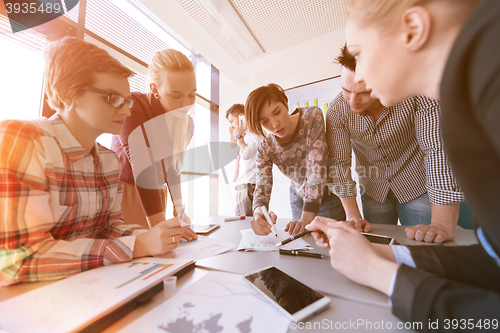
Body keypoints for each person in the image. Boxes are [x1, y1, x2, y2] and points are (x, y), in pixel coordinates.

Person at [308, 0, 500, 329]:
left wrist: (378, 273)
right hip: (376, 188)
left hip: (414, 183)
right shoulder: (470, 85)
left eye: (359, 52)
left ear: (413, 29)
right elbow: (492, 262)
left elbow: (435, 153)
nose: (359, 79)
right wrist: (377, 255)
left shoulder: (485, 72)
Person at [0, 37, 185, 285]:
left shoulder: (108, 161)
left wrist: (154, 234)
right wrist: (137, 244)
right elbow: (16, 259)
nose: (127, 111)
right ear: (66, 94)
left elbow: (108, 228)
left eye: (128, 101)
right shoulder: (24, 139)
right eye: (113, 98)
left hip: (84, 289)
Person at [327, 44, 470, 243]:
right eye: (346, 91)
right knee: (378, 245)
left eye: (363, 93)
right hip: (373, 190)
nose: (353, 102)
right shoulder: (336, 111)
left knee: (425, 246)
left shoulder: (416, 93)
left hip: (417, 186)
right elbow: (338, 164)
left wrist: (441, 224)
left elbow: (437, 150)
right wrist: (353, 216)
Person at [111, 49, 197, 242]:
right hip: (126, 193)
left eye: (192, 95)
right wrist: (160, 227)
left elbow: (173, 168)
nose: (186, 104)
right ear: (155, 89)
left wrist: (179, 211)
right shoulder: (132, 107)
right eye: (176, 96)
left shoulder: (187, 123)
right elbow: (143, 168)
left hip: (156, 193)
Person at [245, 84, 345, 236]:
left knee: (337, 241)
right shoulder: (266, 147)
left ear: (285, 102)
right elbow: (262, 184)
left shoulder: (311, 116)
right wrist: (259, 213)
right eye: (264, 121)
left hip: (328, 192)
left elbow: (315, 169)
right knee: (303, 243)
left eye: (277, 112)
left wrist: (305, 219)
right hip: (298, 195)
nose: (274, 124)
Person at [226, 103, 262, 216]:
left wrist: (239, 137)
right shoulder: (244, 137)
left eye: (232, 121)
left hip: (249, 187)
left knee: (247, 227)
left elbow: (245, 154)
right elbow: (232, 154)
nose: (231, 125)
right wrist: (233, 135)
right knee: (240, 226)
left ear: (241, 116)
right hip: (241, 188)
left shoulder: (255, 134)